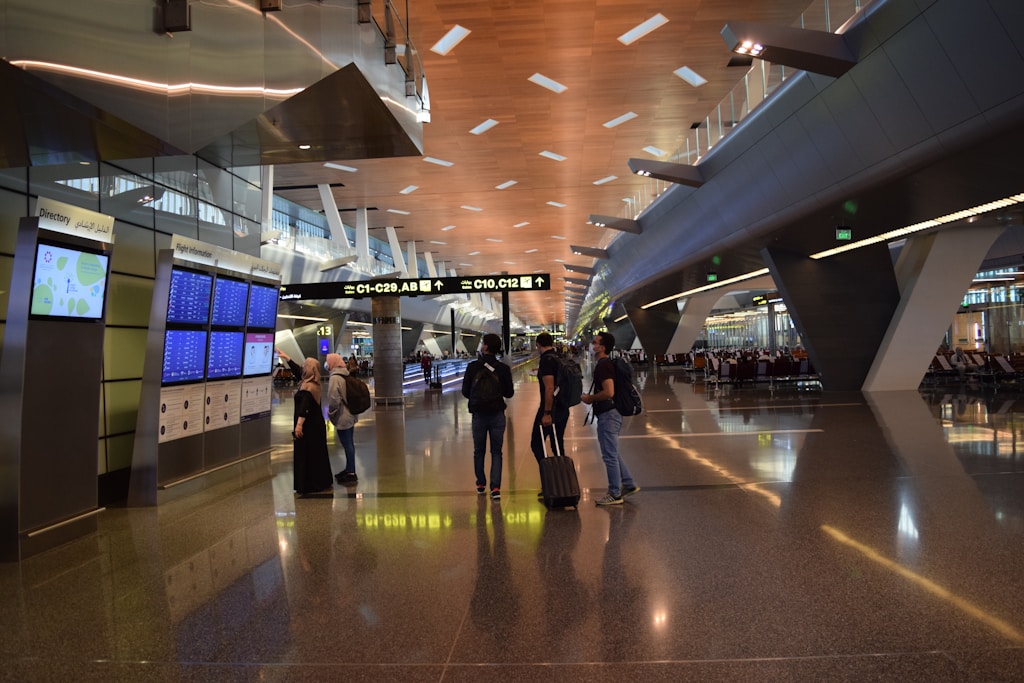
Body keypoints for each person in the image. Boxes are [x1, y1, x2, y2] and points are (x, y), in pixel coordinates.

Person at [580, 331, 639, 506]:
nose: (592, 345)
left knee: (609, 455)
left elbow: (609, 392)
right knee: (612, 451)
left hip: (609, 414)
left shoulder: (604, 366)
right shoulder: (604, 364)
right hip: (611, 413)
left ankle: (614, 493)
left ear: (602, 347)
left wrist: (590, 398)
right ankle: (628, 483)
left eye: (595, 342)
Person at [461, 333, 514, 500]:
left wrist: (479, 397)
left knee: (479, 451)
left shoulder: (473, 367)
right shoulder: (503, 368)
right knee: (496, 452)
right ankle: (495, 488)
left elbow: (465, 391)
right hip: (497, 414)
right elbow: (509, 393)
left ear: (485, 347)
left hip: (479, 414)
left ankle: (480, 484)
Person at [279, 350, 333, 496]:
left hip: (309, 428)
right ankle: (321, 481)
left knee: (308, 454)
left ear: (309, 369)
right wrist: (288, 358)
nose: (303, 368)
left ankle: (310, 484)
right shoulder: (311, 382)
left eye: (305, 366)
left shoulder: (308, 387)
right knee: (316, 453)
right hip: (315, 427)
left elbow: (305, 408)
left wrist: (299, 426)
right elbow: (298, 371)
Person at [530, 332, 569, 497]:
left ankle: (550, 481)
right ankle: (564, 484)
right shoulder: (558, 357)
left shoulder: (546, 360)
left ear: (538, 344)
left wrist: (546, 413)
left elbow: (549, 388)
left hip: (550, 409)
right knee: (557, 445)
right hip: (563, 408)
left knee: (536, 443)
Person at [325, 353, 359, 484]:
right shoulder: (346, 374)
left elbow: (333, 399)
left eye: (328, 361)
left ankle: (351, 473)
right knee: (349, 443)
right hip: (351, 413)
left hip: (342, 416)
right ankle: (349, 468)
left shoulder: (335, 378)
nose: (326, 364)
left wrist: (331, 413)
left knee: (347, 444)